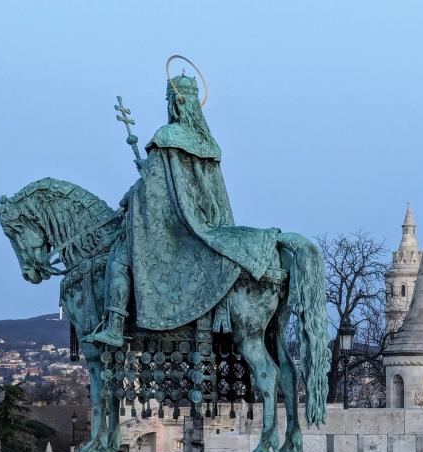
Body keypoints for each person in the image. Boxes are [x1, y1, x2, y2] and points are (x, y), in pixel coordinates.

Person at [85, 75, 278, 346]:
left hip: (174, 223)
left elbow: (151, 189)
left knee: (119, 258)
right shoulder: (209, 144)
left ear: (175, 103)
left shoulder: (167, 136)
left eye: (169, 100)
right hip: (209, 221)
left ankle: (115, 326)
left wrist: (131, 196)